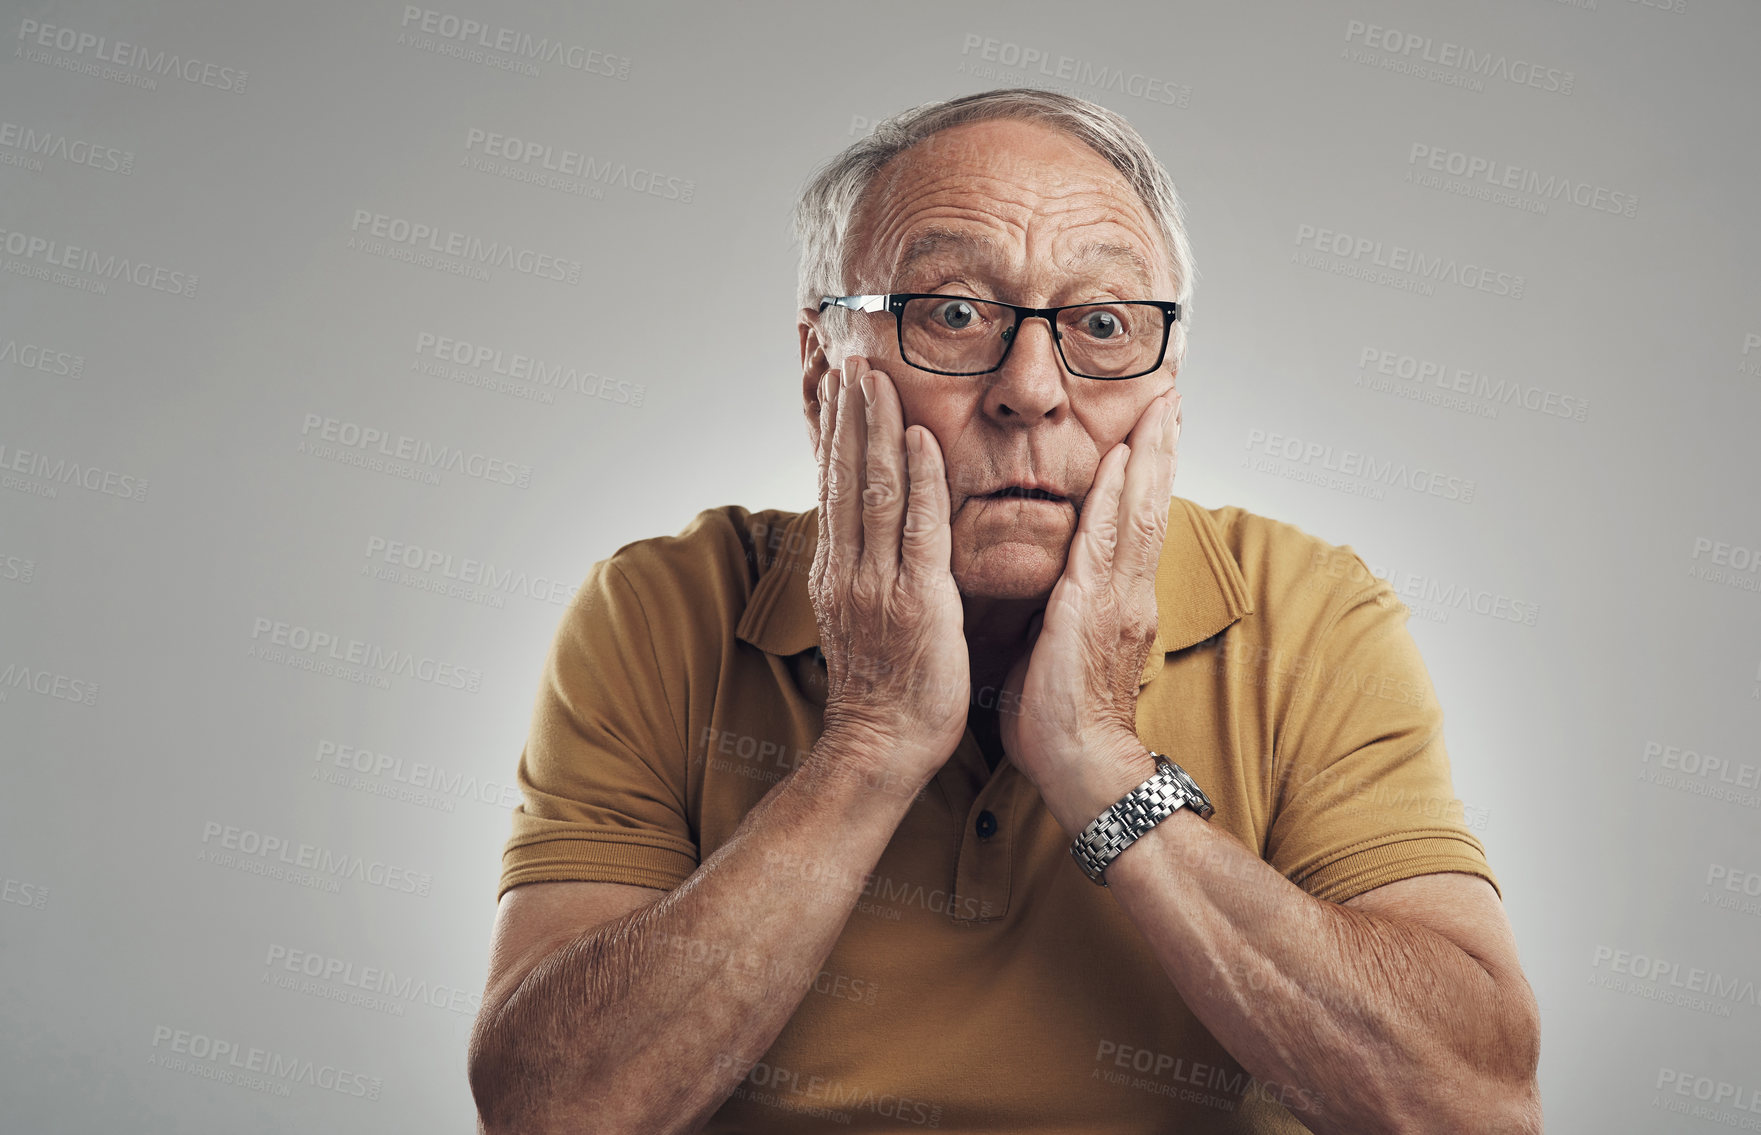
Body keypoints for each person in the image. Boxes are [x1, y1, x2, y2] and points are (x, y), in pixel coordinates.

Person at [466, 88, 1542, 1134]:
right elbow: (545, 1112)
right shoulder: (663, 610)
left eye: (1106, 322)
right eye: (953, 313)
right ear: (819, 372)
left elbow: (1473, 1108)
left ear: (1166, 382)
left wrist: (1099, 761)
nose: (1031, 386)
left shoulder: (1310, 615)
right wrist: (871, 743)